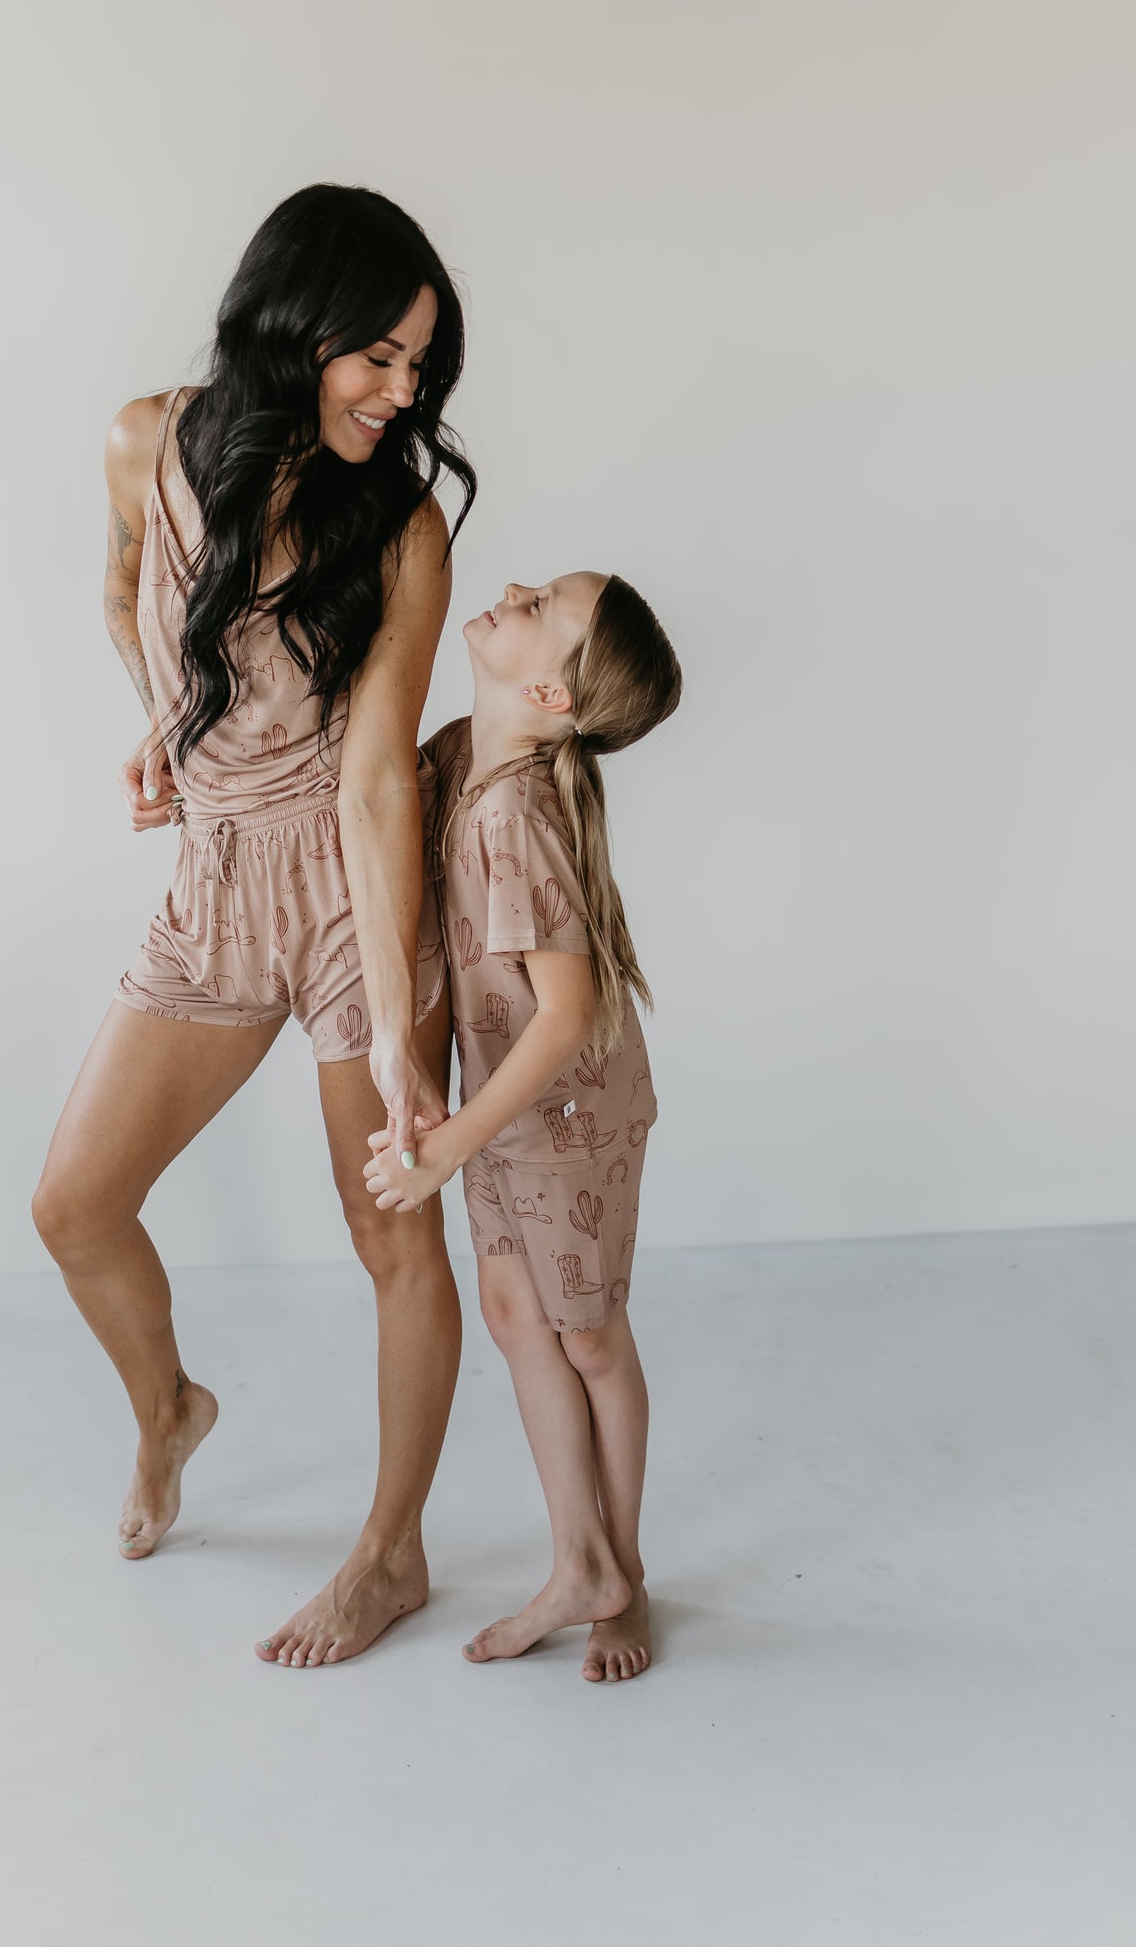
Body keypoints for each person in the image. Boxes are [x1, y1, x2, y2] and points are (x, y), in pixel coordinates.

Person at [33, 185, 476, 1668]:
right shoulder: (144, 439)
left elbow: (371, 789)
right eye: (380, 356)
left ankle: (391, 1553)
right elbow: (119, 590)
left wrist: (415, 1066)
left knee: (390, 1219)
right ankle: (169, 1408)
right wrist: (165, 719)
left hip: (357, 884)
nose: (402, 392)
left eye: (421, 368)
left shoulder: (404, 527)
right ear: (297, 324)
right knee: (75, 1204)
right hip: (218, 874)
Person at [366, 571, 681, 1680]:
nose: (510, 587)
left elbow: (566, 1016)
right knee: (513, 1312)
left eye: (541, 602)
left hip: (567, 1111)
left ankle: (619, 1573)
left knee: (587, 1334)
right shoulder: (464, 755)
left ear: (549, 687)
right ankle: (577, 1557)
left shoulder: (512, 814)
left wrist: (448, 1140)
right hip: (506, 1105)